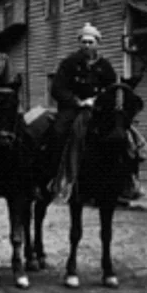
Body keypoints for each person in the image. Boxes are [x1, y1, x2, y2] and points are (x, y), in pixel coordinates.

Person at [49, 23, 117, 201]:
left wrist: (98, 100)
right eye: (84, 42)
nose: (87, 45)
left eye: (90, 42)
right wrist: (78, 102)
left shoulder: (105, 66)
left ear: (98, 43)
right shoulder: (69, 63)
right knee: (58, 131)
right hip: (72, 109)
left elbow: (112, 89)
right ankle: (55, 176)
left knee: (121, 135)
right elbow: (57, 89)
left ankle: (123, 181)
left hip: (98, 109)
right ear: (79, 43)